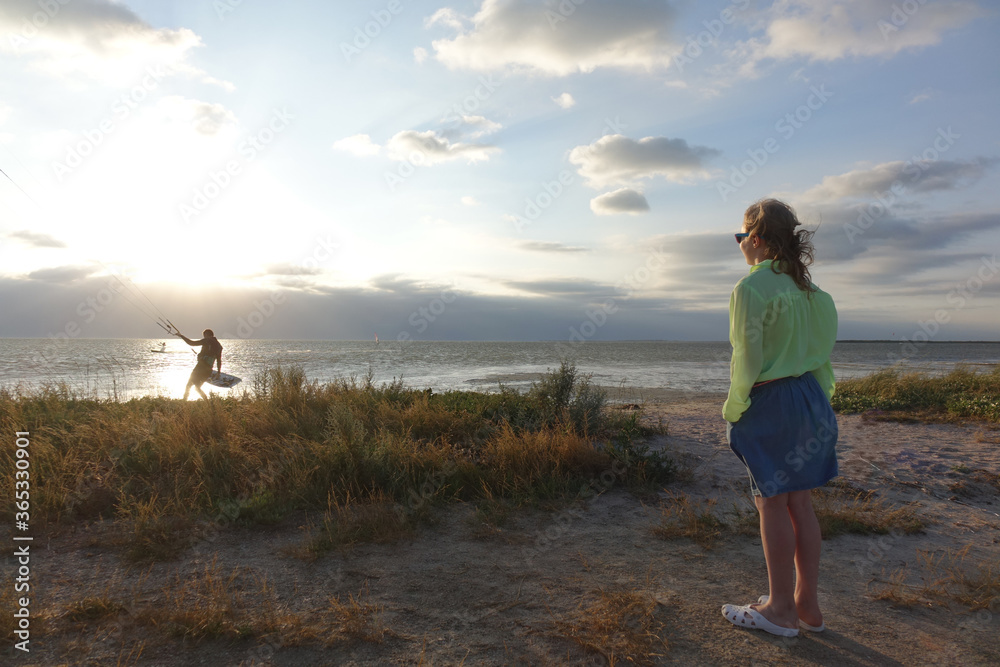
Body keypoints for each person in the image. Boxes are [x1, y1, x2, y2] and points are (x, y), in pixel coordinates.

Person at [720, 198, 838, 638]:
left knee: (771, 502)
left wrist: (734, 408)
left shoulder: (750, 290)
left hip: (772, 398)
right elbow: (822, 362)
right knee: (800, 502)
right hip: (811, 398)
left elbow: (746, 360)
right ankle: (807, 604)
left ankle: (780, 610)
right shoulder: (815, 295)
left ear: (754, 239)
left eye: (742, 238)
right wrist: (817, 404)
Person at [176, 328, 223, 400]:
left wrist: (181, 336)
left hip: (200, 367)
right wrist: (218, 372)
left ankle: (184, 402)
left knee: (189, 385)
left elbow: (191, 343)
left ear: (206, 335)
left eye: (204, 336)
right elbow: (219, 361)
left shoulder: (207, 340)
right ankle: (207, 402)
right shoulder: (219, 346)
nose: (203, 338)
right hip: (208, 370)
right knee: (197, 387)